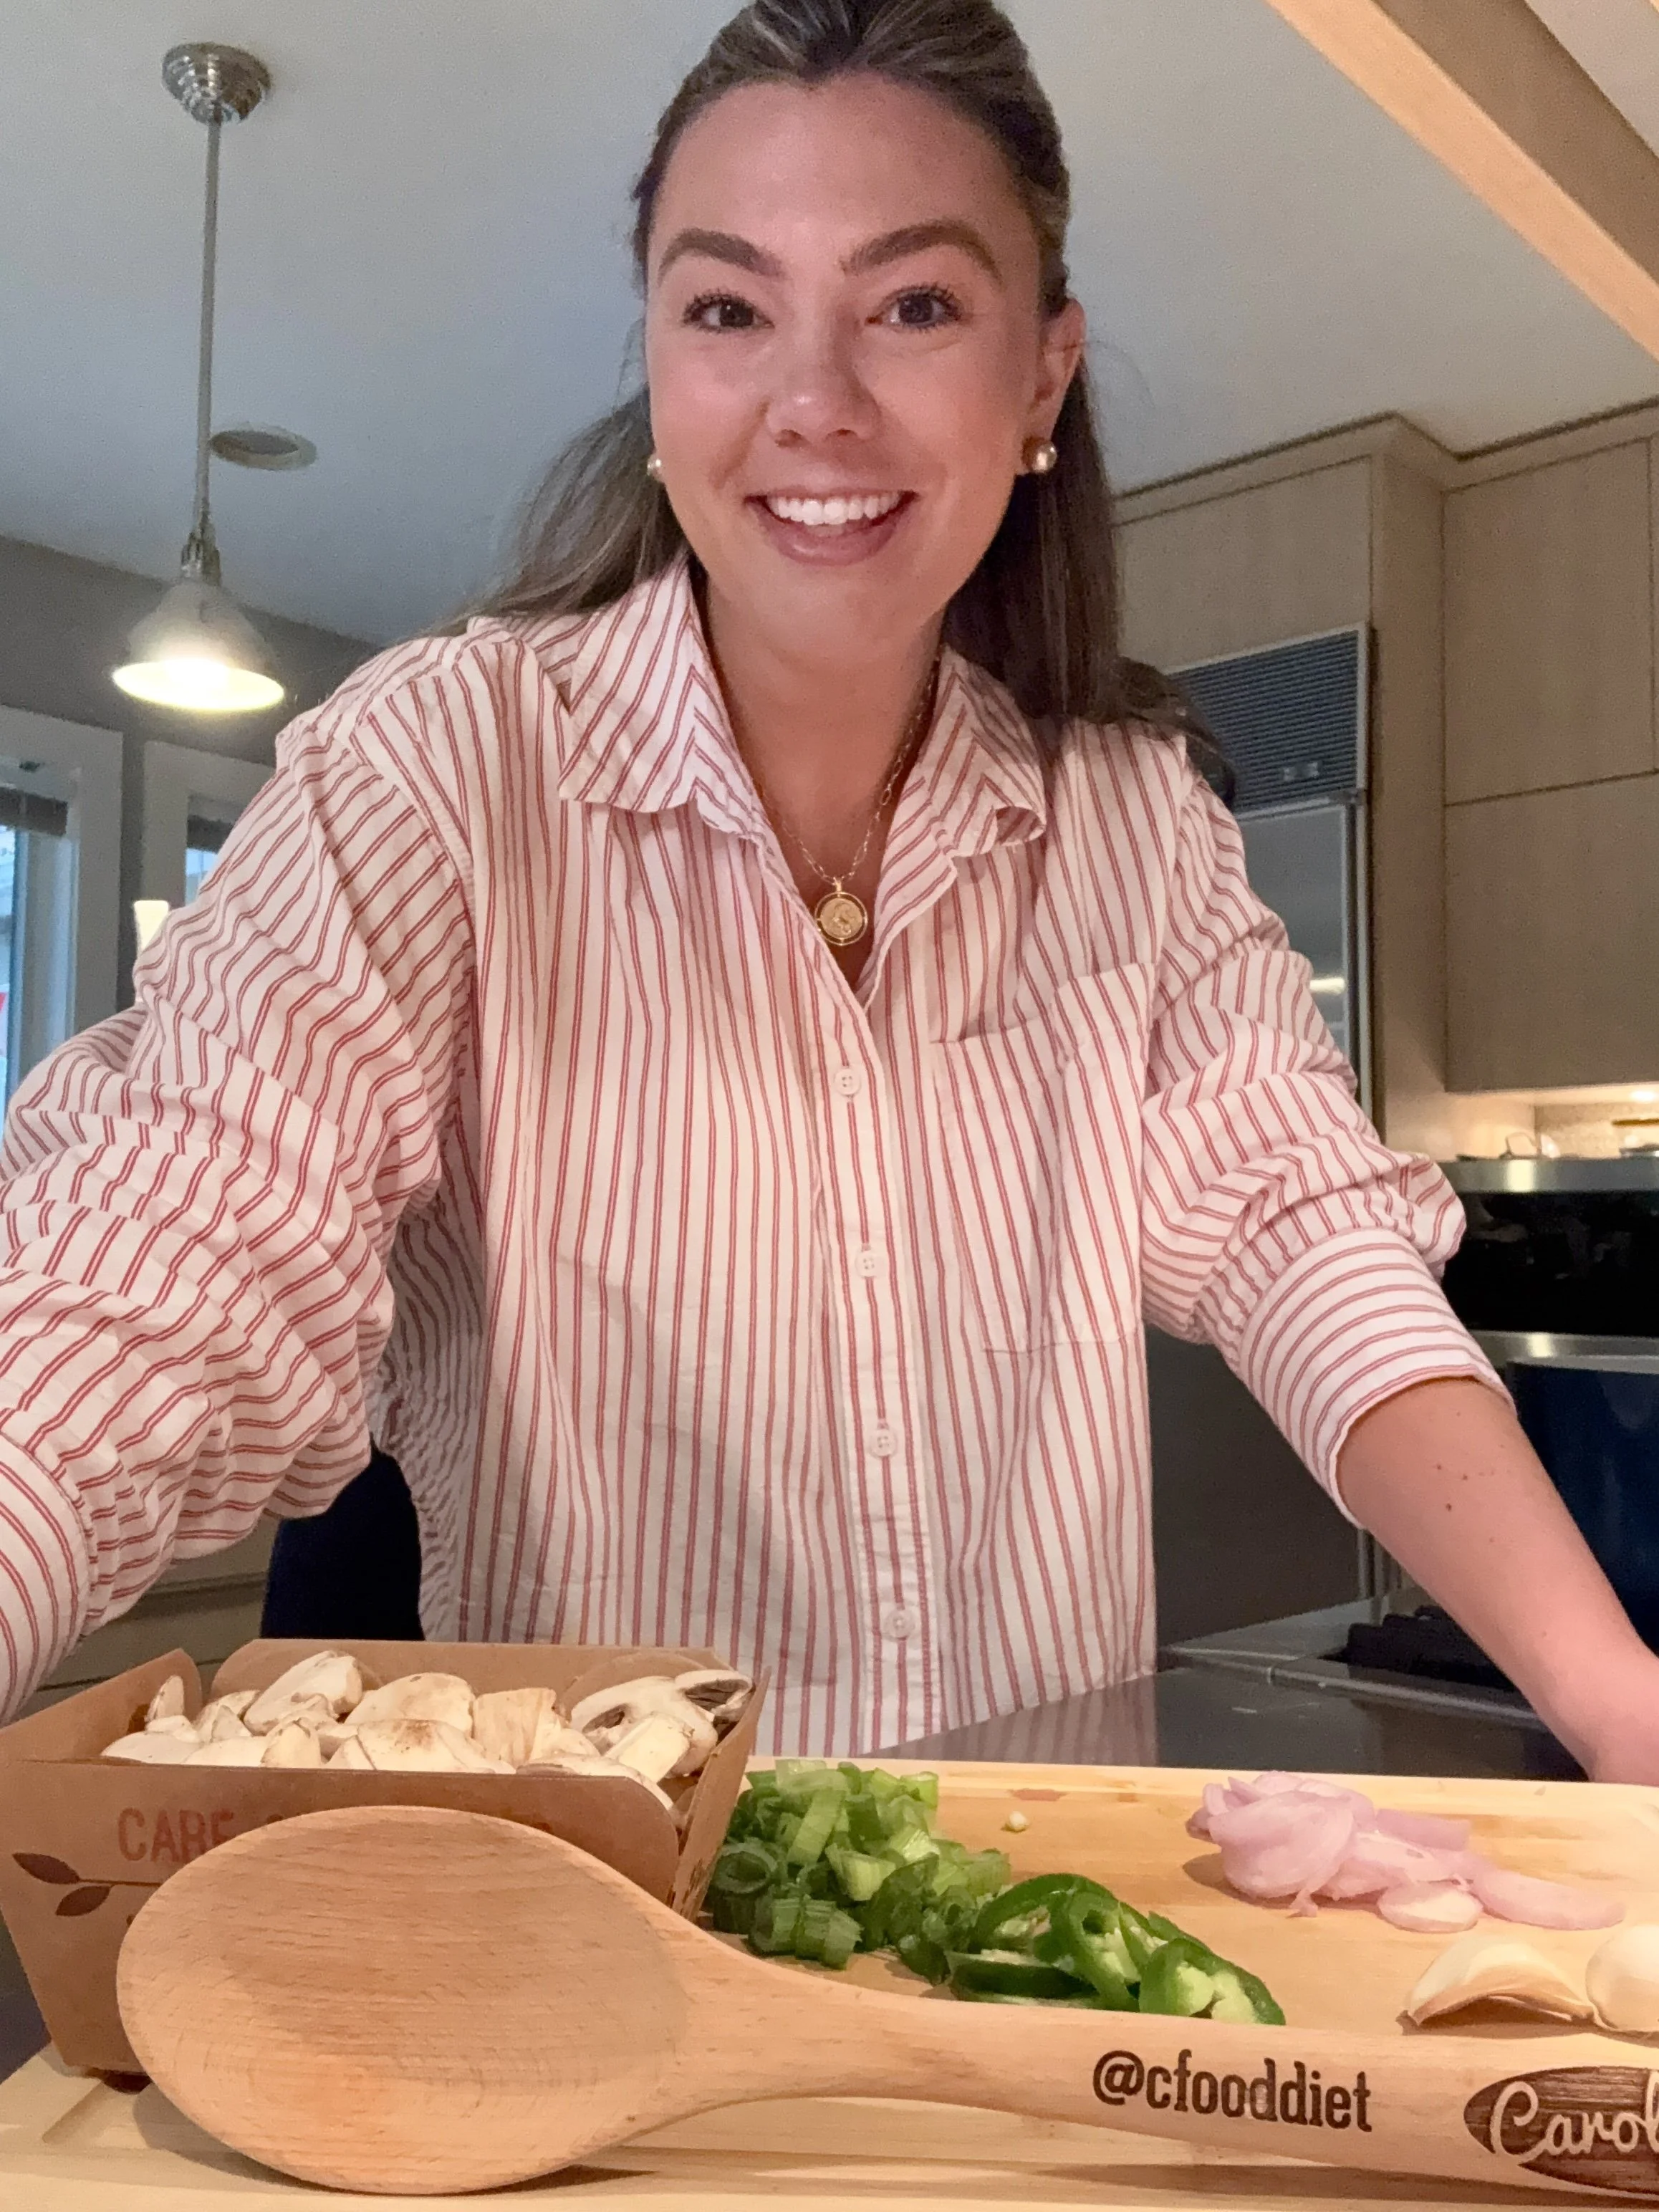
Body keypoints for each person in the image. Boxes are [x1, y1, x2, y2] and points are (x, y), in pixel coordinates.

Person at [2, 0, 1655, 1768]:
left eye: (917, 306)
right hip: (588, 1942)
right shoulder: (440, 766)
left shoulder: (1135, 824)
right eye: (728, 307)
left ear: (1042, 374)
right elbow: (178, 1238)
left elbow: (1307, 1237)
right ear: (658, 361)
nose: (814, 400)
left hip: (1015, 1918)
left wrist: (1620, 1700)